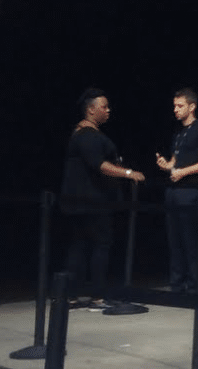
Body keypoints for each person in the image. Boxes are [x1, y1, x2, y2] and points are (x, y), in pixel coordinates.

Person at [60, 88, 144, 308]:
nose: (108, 110)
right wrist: (128, 173)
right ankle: (96, 296)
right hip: (92, 202)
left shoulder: (84, 134)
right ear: (91, 110)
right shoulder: (87, 136)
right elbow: (100, 165)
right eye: (104, 107)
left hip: (84, 202)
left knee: (80, 245)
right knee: (98, 245)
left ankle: (71, 295)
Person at [155, 88, 198, 294]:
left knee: (191, 240)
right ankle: (177, 284)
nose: (176, 109)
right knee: (175, 240)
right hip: (174, 191)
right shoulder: (178, 132)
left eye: (180, 106)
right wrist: (167, 165)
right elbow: (176, 162)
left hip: (191, 191)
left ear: (192, 107)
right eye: (174, 106)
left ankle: (194, 285)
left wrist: (184, 172)